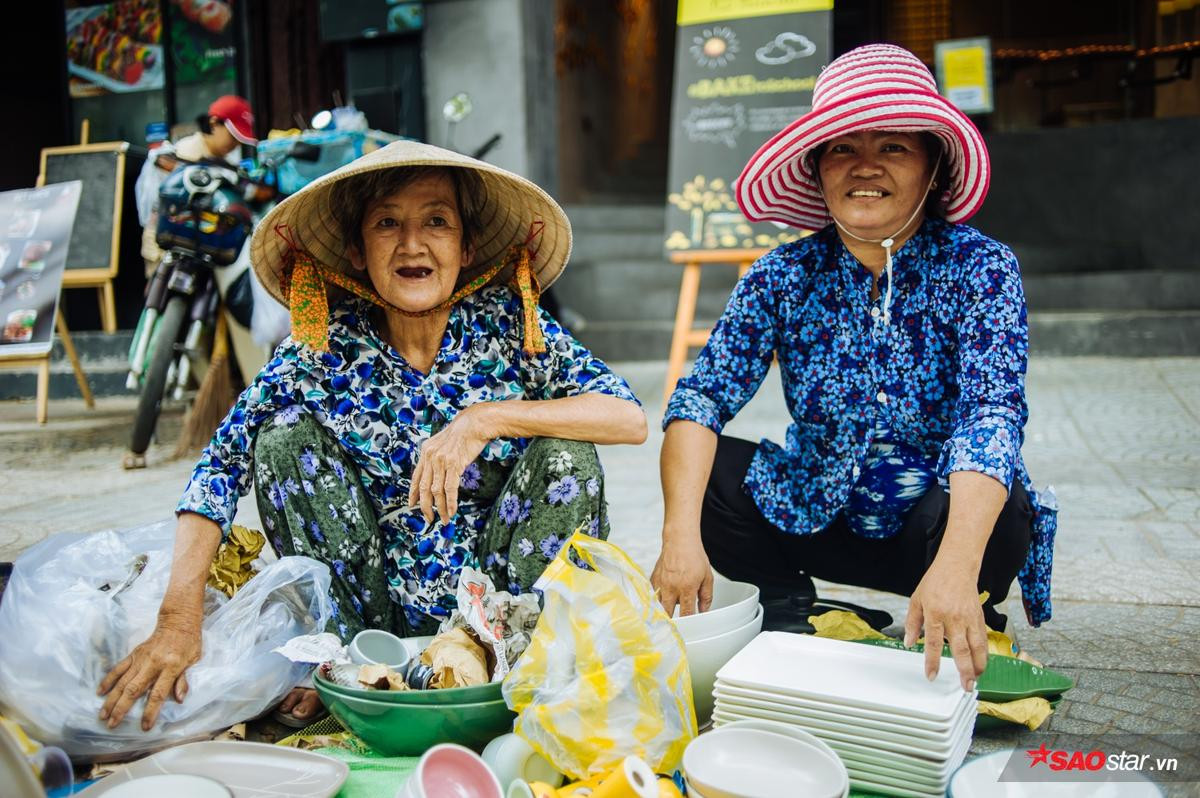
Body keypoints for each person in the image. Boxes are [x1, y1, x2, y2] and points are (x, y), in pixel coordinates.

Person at [98, 140, 647, 730]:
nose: (413, 244)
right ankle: (348, 662)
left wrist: (487, 418)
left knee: (567, 452)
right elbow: (218, 469)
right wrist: (178, 622)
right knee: (281, 440)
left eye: (437, 221)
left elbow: (627, 417)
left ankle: (520, 662)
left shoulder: (511, 326)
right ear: (358, 251)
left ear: (465, 247)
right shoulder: (321, 348)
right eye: (388, 223)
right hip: (375, 612)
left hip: (500, 610)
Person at [650, 44, 1057, 692]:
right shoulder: (780, 275)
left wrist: (955, 564)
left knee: (1003, 510)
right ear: (816, 168)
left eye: (893, 146)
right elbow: (701, 396)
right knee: (715, 473)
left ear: (932, 166)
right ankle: (793, 609)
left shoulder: (980, 268)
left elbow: (992, 413)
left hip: (931, 526)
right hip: (819, 508)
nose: (865, 167)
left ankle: (958, 608)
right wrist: (677, 540)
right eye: (842, 147)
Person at [135, 95, 258, 278]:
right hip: (167, 242)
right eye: (233, 137)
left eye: (238, 140)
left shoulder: (229, 165)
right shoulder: (183, 152)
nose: (235, 144)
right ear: (214, 123)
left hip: (206, 246)